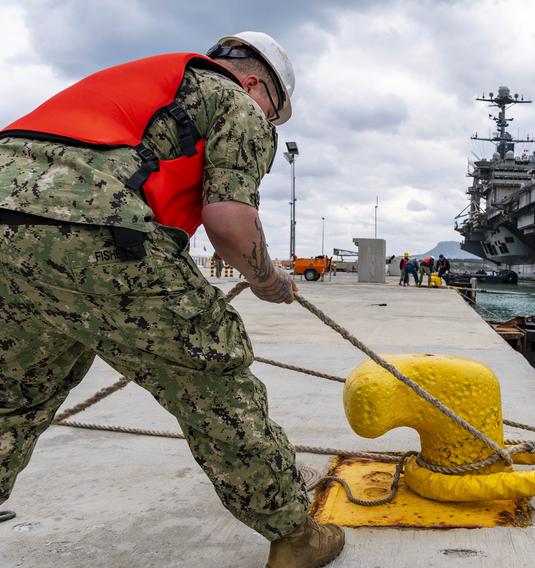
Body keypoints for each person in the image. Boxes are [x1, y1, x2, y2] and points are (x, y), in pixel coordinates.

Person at [0, 32, 343, 567]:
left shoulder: (132, 82)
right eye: (274, 113)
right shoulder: (236, 101)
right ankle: (294, 534)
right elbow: (229, 221)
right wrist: (267, 279)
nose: (269, 123)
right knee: (214, 380)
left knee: (12, 395)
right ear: (256, 83)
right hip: (96, 229)